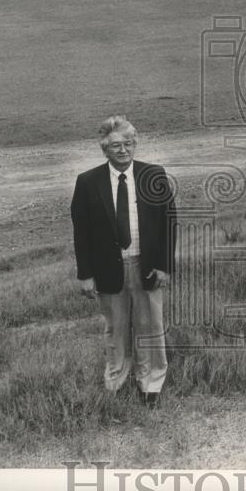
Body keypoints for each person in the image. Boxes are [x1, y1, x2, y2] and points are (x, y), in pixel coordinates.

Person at [70, 115, 176, 406]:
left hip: (147, 266)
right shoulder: (88, 183)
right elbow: (82, 233)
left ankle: (150, 384)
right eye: (116, 145)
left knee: (150, 326)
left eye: (128, 143)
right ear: (104, 148)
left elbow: (170, 223)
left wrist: (165, 266)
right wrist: (85, 274)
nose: (123, 150)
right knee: (115, 328)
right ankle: (115, 381)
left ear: (135, 144)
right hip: (109, 270)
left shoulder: (154, 175)